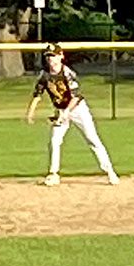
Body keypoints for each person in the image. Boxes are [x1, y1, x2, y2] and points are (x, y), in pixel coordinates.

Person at [26, 43, 120, 186]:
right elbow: (37, 95)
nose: (51, 59)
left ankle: (110, 172)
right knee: (54, 141)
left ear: (61, 56)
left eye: (53, 56)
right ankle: (53, 174)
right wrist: (30, 114)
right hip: (61, 110)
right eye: (48, 56)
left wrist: (66, 112)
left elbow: (76, 96)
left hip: (78, 109)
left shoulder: (67, 73)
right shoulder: (44, 75)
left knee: (92, 139)